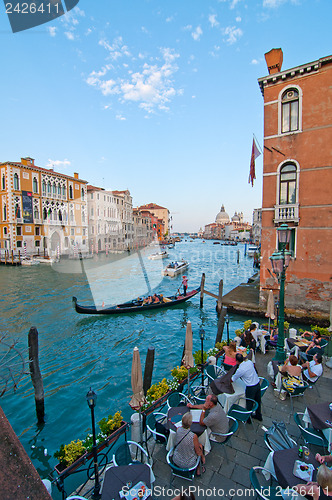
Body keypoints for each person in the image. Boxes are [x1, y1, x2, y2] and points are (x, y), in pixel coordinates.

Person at [232, 353, 262, 421]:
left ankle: (248, 418)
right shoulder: (249, 362)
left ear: (236, 361)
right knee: (258, 401)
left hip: (250, 387)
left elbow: (233, 379)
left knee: (249, 403)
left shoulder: (240, 370)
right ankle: (259, 415)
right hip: (257, 383)